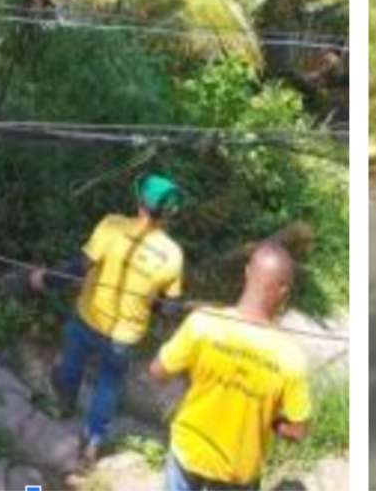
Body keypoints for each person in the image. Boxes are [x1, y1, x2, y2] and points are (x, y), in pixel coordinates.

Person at [29, 174, 185, 465]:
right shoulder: (173, 255)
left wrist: (44, 279)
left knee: (71, 366)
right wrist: (151, 300)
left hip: (89, 317)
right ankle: (93, 442)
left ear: (138, 201)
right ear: (170, 213)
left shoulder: (113, 225)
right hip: (124, 336)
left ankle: (63, 407)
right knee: (108, 385)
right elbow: (170, 309)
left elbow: (79, 267)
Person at [149, 241, 311, 491]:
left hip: (188, 450)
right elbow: (298, 431)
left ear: (247, 273)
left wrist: (195, 376)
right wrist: (273, 420)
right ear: (284, 293)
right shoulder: (290, 357)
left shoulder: (202, 323)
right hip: (238, 470)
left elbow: (157, 371)